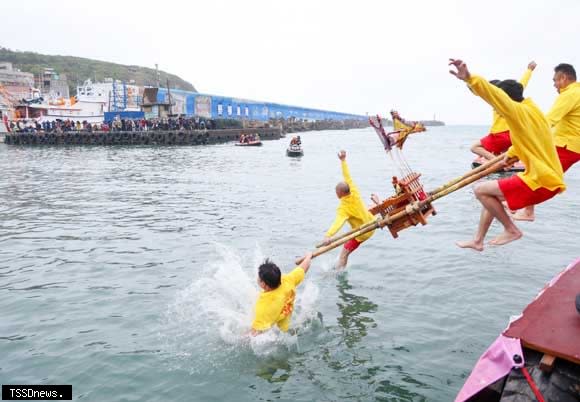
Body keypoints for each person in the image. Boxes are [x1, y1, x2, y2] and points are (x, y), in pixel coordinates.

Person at [449, 58, 565, 251]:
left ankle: (511, 230)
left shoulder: (517, 112)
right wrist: (509, 156)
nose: (497, 107)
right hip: (548, 180)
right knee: (490, 197)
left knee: (480, 190)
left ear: (507, 100)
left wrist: (469, 78)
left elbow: (495, 95)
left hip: (540, 181)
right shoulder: (532, 110)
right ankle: (478, 240)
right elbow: (526, 141)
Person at [513, 63, 580, 221]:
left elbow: (548, 121)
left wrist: (530, 137)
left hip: (567, 145)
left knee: (539, 174)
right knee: (538, 173)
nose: (554, 85)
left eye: (555, 81)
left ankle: (524, 209)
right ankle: (519, 205)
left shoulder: (570, 94)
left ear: (563, 78)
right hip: (569, 144)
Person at [470, 61, 537, 160]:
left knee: (474, 147)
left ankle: (496, 162)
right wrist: (529, 70)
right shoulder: (515, 99)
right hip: (514, 135)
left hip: (499, 134)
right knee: (501, 149)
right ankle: (506, 159)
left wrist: (469, 82)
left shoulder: (496, 101)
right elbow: (522, 84)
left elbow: (480, 92)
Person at [320, 150, 376, 269]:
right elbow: (347, 176)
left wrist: (328, 235)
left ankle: (340, 274)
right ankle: (339, 266)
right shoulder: (354, 191)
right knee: (346, 248)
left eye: (336, 193)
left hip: (363, 233)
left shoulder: (343, 208)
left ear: (340, 194)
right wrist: (343, 161)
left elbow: (338, 223)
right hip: (372, 223)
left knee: (344, 254)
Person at [250, 252, 313, 336]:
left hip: (279, 334)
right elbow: (304, 267)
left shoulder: (265, 306)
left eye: (259, 277)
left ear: (264, 285)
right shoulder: (287, 280)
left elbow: (254, 334)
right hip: (285, 322)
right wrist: (309, 256)